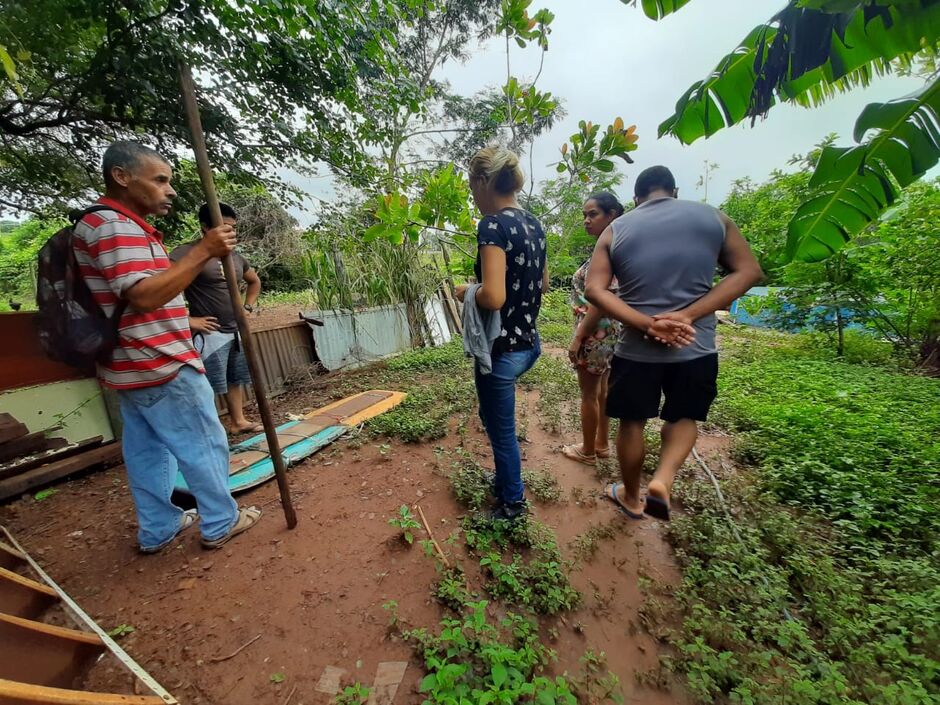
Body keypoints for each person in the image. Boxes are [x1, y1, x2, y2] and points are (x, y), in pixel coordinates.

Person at [72, 141, 261, 552]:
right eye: (160, 180)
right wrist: (204, 251)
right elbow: (142, 296)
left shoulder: (112, 224)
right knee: (202, 442)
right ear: (122, 177)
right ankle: (220, 521)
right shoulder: (114, 225)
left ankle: (159, 527)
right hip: (161, 361)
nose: (170, 190)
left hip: (131, 365)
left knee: (149, 452)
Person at [584, 166, 763, 520]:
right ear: (674, 191)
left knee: (632, 422)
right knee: (683, 417)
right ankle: (663, 480)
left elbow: (595, 289)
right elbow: (748, 272)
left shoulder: (617, 229)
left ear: (636, 199)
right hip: (695, 346)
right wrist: (688, 315)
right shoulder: (715, 219)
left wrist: (647, 324)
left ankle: (632, 496)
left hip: (637, 350)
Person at [456, 146, 548, 521]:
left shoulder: (491, 225)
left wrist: (467, 291)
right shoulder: (534, 224)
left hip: (501, 350)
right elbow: (541, 284)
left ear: (483, 182)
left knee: (502, 430)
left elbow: (493, 297)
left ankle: (512, 503)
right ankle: (503, 482)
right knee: (494, 419)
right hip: (529, 343)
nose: (473, 195)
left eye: (471, 185)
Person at [170, 203, 263, 435]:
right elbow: (164, 289)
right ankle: (206, 430)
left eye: (233, 228)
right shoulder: (186, 254)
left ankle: (238, 421)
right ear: (205, 228)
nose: (230, 232)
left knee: (235, 377)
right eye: (224, 227)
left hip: (235, 329)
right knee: (206, 384)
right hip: (210, 332)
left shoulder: (235, 257)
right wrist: (188, 320)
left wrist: (247, 307)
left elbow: (254, 281)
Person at [563, 192, 625, 466]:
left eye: (593, 214)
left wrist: (578, 337)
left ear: (611, 215)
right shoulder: (615, 246)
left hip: (595, 330)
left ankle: (587, 449)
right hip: (609, 331)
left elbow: (599, 302)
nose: (586, 221)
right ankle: (601, 444)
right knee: (601, 389)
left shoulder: (608, 251)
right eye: (584, 215)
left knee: (589, 393)